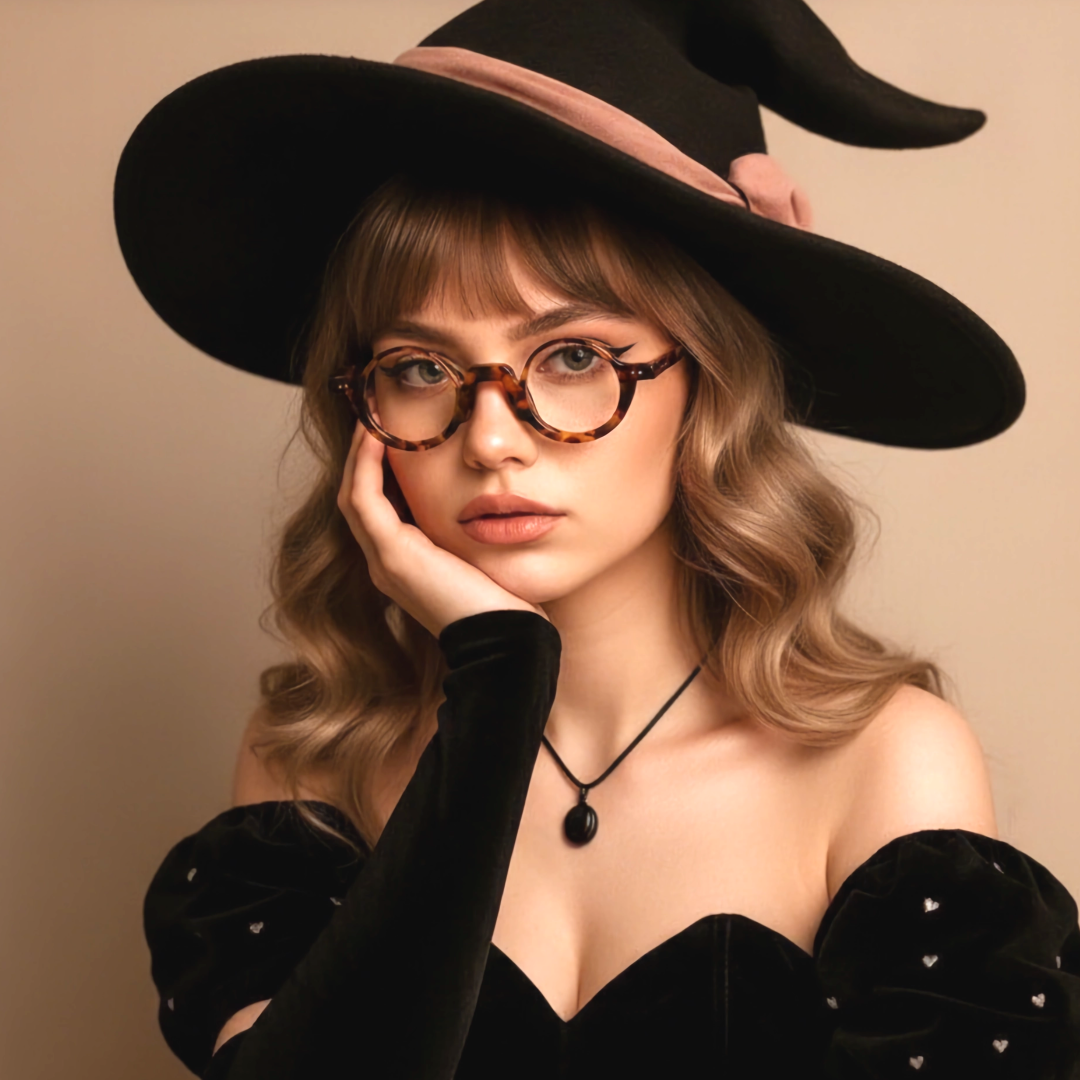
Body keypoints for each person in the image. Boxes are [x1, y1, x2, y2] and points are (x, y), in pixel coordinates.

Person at [117, 1, 1080, 1077]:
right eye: (421, 370)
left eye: (573, 357)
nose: (490, 440)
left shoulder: (881, 758)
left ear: (705, 385)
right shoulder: (311, 758)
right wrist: (495, 685)